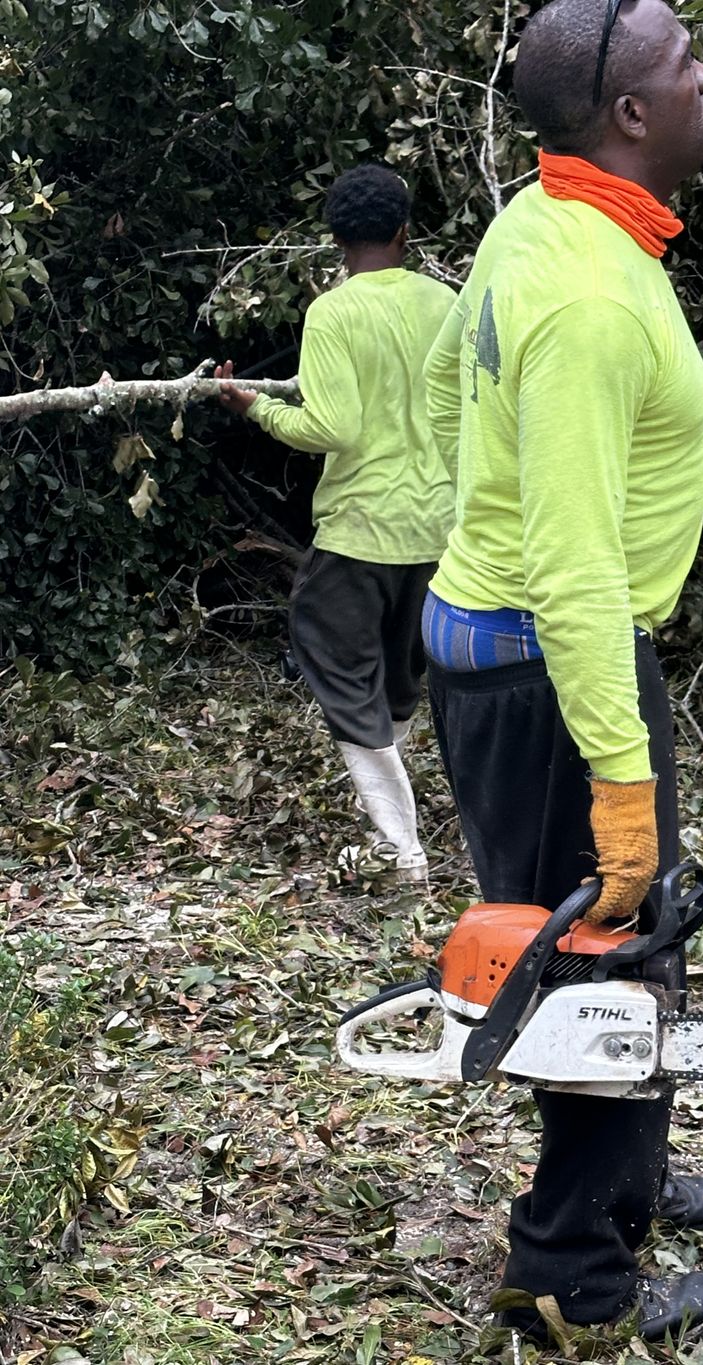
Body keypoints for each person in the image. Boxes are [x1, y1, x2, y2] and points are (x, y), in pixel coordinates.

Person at [422, 0, 703, 1343]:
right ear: (627, 114)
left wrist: (473, 519)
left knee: (622, 936)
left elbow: (448, 383)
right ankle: (570, 1275)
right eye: (686, 64)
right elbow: (572, 570)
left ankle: (632, 1181)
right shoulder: (592, 296)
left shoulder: (548, 219)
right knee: (600, 961)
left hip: (530, 651)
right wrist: (619, 775)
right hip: (559, 665)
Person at [216, 165, 456, 880]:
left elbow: (330, 425)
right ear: (404, 232)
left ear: (336, 242)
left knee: (333, 659)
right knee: (400, 675)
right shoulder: (448, 301)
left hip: (362, 527)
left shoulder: (335, 312)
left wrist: (253, 406)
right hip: (441, 526)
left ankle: (399, 846)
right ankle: (392, 824)